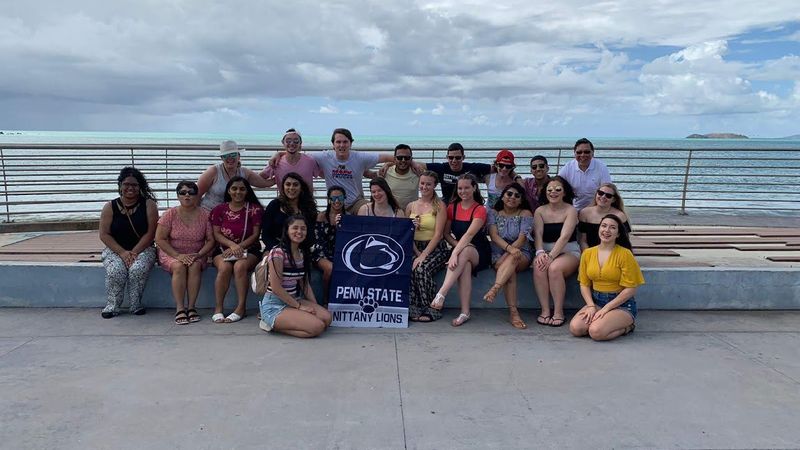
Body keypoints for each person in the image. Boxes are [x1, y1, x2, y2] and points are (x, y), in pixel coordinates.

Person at [430, 174, 491, 327]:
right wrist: (457, 247)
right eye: (460, 188)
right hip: (461, 248)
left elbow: (470, 234)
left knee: (464, 252)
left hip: (480, 250)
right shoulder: (452, 207)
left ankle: (441, 293)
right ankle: (465, 312)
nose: (463, 191)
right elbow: (445, 234)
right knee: (465, 267)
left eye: (467, 188)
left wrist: (455, 252)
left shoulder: (479, 210)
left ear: (474, 188)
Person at [570, 214, 643, 341]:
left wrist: (607, 309)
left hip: (621, 304)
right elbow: (584, 284)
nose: (606, 230)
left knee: (596, 332)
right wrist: (591, 306)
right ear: (599, 229)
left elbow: (630, 289)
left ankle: (628, 326)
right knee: (576, 328)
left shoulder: (625, 254)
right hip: (596, 301)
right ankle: (603, 322)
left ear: (618, 234)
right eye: (604, 226)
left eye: (612, 228)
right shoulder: (587, 253)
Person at [98, 167, 158, 318]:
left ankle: (135, 304)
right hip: (116, 249)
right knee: (116, 270)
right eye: (126, 184)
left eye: (134, 185)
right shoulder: (110, 207)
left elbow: (151, 233)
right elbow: (104, 234)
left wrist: (135, 252)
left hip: (144, 249)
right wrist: (123, 252)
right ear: (120, 186)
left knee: (137, 269)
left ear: (140, 187)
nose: (130, 188)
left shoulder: (149, 205)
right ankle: (112, 305)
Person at [259, 215, 332, 338]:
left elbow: (305, 285)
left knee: (326, 319)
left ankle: (292, 319)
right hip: (275, 304)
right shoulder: (278, 253)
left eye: (303, 229)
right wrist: (300, 307)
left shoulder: (302, 253)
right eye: (295, 228)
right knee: (317, 327)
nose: (299, 232)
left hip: (294, 299)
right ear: (287, 230)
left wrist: (315, 306)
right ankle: (269, 322)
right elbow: (276, 288)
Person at [210, 176, 263, 323]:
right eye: (234, 188)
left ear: (247, 191)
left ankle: (241, 307)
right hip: (223, 250)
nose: (238, 192)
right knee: (225, 267)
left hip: (249, 249)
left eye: (242, 189)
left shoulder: (254, 210)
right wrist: (232, 246)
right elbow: (216, 233)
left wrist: (239, 247)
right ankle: (218, 308)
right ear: (228, 190)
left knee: (240, 266)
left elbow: (255, 234)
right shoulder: (219, 210)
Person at [530, 176, 580, 327]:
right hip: (545, 250)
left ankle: (559, 312)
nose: (553, 192)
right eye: (550, 190)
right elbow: (537, 234)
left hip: (568, 251)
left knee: (554, 268)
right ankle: (545, 310)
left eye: (558, 189)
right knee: (539, 267)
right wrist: (539, 252)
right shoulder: (540, 211)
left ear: (564, 192)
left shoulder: (571, 210)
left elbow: (565, 236)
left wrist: (552, 256)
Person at [483, 183, 534, 329]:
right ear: (503, 196)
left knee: (514, 257)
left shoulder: (525, 214)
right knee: (510, 269)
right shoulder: (493, 213)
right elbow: (493, 235)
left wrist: (511, 251)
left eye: (517, 196)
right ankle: (513, 312)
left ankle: (495, 288)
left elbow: (522, 239)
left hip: (521, 252)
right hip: (498, 253)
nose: (512, 197)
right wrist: (508, 250)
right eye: (509, 194)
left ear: (521, 200)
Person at [405, 171, 449, 322]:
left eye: (428, 184)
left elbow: (438, 235)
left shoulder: (439, 206)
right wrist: (417, 251)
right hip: (415, 246)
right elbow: (405, 232)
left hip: (435, 248)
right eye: (422, 183)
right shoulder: (411, 206)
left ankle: (431, 308)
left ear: (434, 185)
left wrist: (423, 255)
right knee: (409, 268)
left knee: (421, 268)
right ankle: (413, 307)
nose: (424, 187)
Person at [198, 140, 271, 211]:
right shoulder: (213, 171)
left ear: (239, 156)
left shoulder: (244, 172)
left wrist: (279, 175)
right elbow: (197, 194)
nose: (230, 158)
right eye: (226, 156)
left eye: (233, 154)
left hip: (232, 215)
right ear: (222, 158)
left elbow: (263, 183)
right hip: (209, 212)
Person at [261, 172, 318, 252]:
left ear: (301, 188)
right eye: (288, 184)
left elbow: (311, 236)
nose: (291, 188)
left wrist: (296, 251)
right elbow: (266, 235)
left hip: (300, 250)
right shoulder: (275, 205)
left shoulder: (309, 208)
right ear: (283, 187)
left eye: (295, 185)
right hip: (275, 249)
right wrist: (277, 249)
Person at [422, 143, 492, 203]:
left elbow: (495, 168)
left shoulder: (471, 167)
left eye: (458, 158)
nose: (454, 160)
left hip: (467, 204)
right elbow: (421, 165)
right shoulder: (442, 168)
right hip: (448, 204)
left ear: (463, 157)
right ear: (447, 157)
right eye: (451, 157)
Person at [259, 128, 322, 194]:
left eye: (296, 141)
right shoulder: (276, 162)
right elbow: (259, 178)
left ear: (300, 143)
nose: (292, 144)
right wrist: (275, 181)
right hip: (284, 202)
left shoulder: (310, 161)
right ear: (283, 142)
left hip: (306, 202)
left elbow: (325, 174)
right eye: (288, 141)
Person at [312, 186, 347, 303]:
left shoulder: (348, 216)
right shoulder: (322, 216)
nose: (337, 201)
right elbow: (318, 241)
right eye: (334, 198)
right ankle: (326, 299)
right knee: (330, 268)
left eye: (340, 198)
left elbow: (349, 240)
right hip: (321, 253)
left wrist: (341, 228)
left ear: (344, 199)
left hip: (340, 252)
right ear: (329, 200)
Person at [557, 138, 612, 211]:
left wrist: (587, 211)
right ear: (574, 154)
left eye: (586, 152)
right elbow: (556, 183)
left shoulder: (601, 167)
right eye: (579, 152)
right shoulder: (568, 167)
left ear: (593, 153)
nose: (582, 155)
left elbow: (607, 190)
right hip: (574, 208)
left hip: (598, 207)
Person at [578, 183, 631, 251]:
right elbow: (583, 241)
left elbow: (624, 242)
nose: (603, 197)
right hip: (590, 252)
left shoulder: (619, 216)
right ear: (596, 194)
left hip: (614, 251)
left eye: (608, 196)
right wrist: (589, 256)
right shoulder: (584, 213)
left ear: (614, 199)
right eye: (600, 193)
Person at [383, 144, 419, 209]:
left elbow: (432, 179)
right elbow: (371, 176)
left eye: (407, 158)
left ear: (411, 159)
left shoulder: (417, 172)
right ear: (394, 158)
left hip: (412, 212)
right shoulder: (386, 172)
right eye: (399, 157)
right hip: (392, 212)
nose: (403, 160)